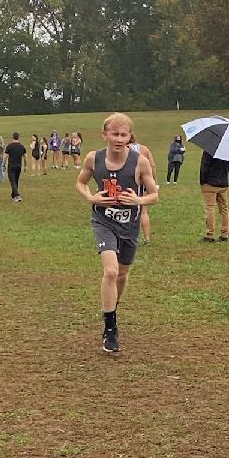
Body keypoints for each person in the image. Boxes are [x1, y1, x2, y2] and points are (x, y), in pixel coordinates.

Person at [76, 112, 158, 353]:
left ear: (130, 136)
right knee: (110, 271)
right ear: (105, 134)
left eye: (124, 134)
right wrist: (90, 197)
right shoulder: (93, 159)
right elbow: (80, 182)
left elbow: (154, 194)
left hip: (129, 225)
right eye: (114, 134)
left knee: (122, 275)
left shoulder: (139, 161)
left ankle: (112, 306)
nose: (119, 138)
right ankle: (110, 328)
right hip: (103, 222)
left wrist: (138, 199)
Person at [128, 134, 158, 245]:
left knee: (128, 210)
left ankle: (129, 237)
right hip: (144, 181)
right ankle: (147, 238)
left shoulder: (124, 149)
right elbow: (153, 165)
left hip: (130, 180)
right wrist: (154, 182)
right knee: (144, 211)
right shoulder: (144, 148)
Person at [200, 150, 229, 242]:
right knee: (224, 209)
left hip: (210, 183)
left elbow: (204, 167)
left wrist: (203, 181)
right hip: (223, 183)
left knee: (210, 208)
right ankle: (225, 233)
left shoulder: (209, 150)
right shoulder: (228, 151)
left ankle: (209, 234)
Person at [4, 132, 27, 202]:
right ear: (18, 137)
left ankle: (17, 195)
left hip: (11, 166)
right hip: (19, 166)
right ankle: (13, 195)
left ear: (12, 137)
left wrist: (3, 164)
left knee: (12, 181)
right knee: (16, 181)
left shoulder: (9, 146)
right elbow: (25, 156)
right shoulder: (21, 147)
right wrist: (25, 166)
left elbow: (5, 156)